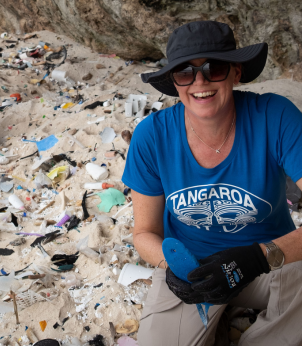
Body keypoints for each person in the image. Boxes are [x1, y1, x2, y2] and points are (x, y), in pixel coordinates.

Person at [122, 21, 302, 346]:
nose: (200, 81)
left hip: (268, 263)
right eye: (185, 73)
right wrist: (174, 265)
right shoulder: (152, 136)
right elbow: (143, 232)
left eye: (213, 67)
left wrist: (254, 259)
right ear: (174, 83)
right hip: (196, 269)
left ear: (235, 72)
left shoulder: (276, 116)